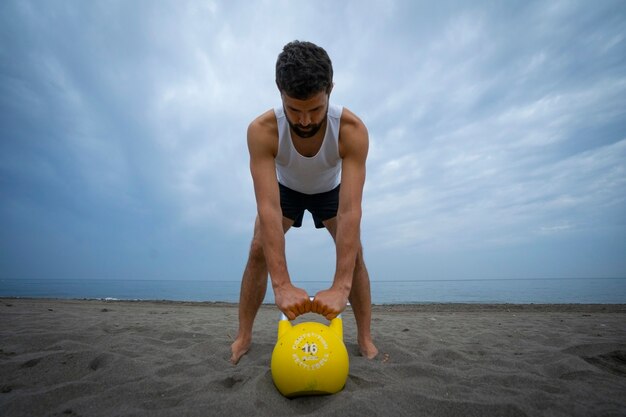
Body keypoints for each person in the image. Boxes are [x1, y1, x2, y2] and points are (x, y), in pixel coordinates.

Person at [230, 40, 378, 364]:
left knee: (355, 253)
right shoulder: (262, 131)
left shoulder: (351, 131)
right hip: (286, 189)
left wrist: (341, 286)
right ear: (279, 91)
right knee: (257, 248)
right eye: (295, 110)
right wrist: (280, 284)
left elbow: (351, 210)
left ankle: (365, 339)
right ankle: (244, 336)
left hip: (329, 190)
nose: (306, 120)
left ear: (330, 90)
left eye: (315, 109)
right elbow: (268, 209)